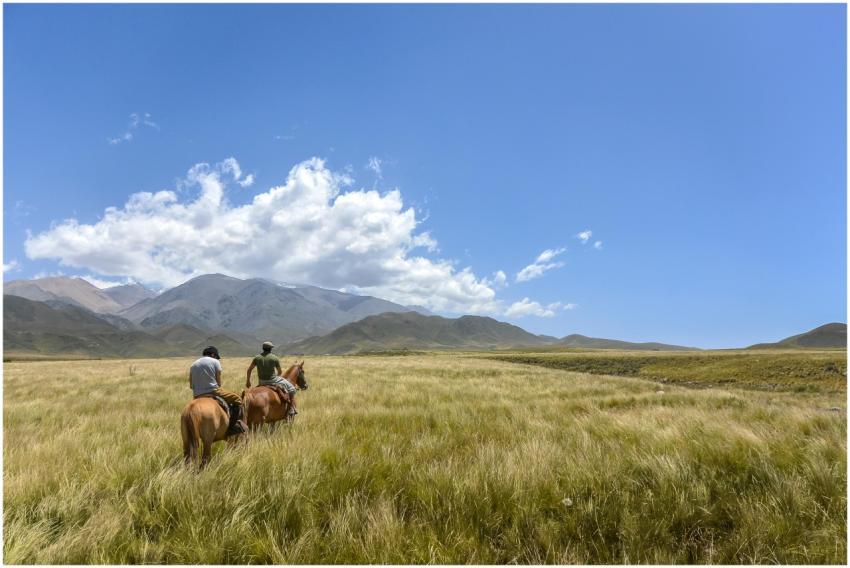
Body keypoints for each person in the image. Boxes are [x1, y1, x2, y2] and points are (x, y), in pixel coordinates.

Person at [189, 346, 246, 435]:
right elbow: (219, 383)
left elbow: (191, 386)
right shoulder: (215, 361)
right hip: (213, 391)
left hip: (197, 395)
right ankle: (232, 428)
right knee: (238, 399)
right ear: (213, 354)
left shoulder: (193, 364)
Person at [246, 341, 298, 416]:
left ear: (263, 348)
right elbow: (280, 372)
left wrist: (248, 381)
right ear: (271, 349)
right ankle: (291, 408)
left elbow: (249, 369)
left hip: (261, 382)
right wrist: (276, 376)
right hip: (273, 380)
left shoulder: (257, 358)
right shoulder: (274, 358)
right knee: (292, 389)